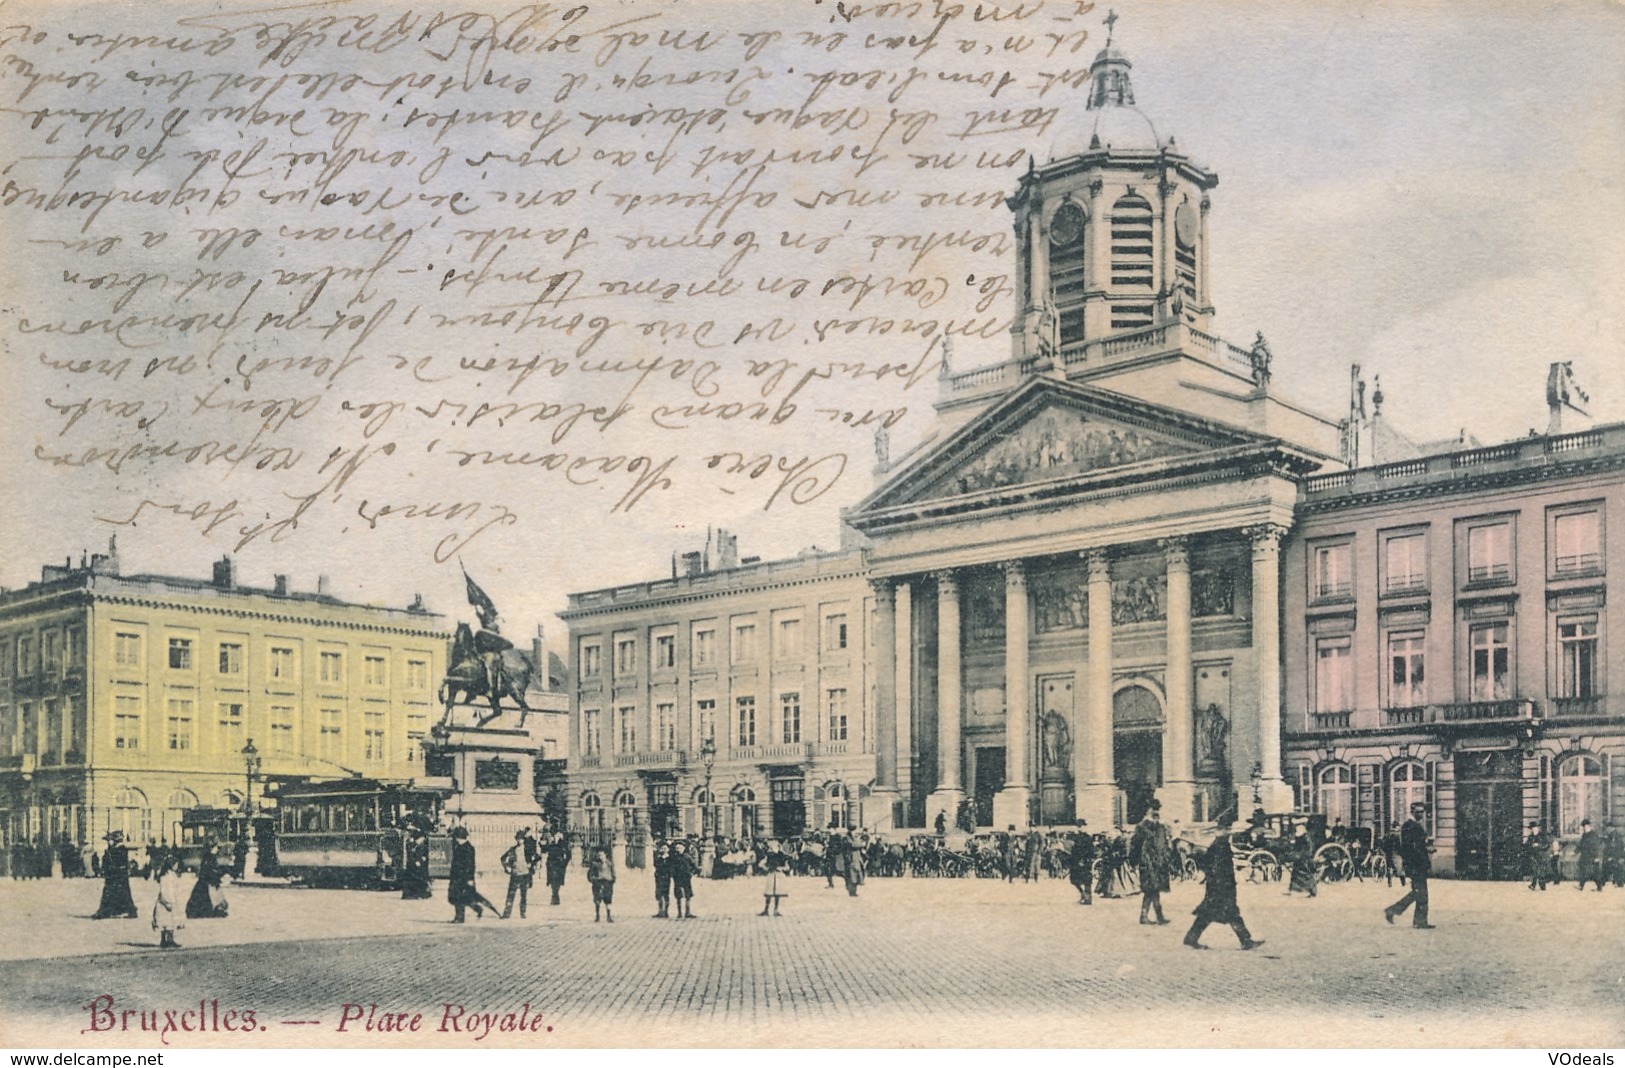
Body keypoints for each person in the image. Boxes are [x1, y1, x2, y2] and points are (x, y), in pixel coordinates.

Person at [1184, 816, 1263, 951]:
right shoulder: (1220, 845)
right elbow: (1216, 867)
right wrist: (1222, 885)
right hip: (1221, 887)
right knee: (1223, 913)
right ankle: (1245, 941)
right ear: (1220, 830)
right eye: (1226, 829)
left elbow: (1209, 864)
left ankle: (1192, 938)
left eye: (1228, 829)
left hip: (1219, 886)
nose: (1228, 832)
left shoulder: (1220, 844)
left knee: (1216, 913)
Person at [1383, 802, 1434, 928]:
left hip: (1419, 864)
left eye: (1422, 811)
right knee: (1420, 893)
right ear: (1412, 812)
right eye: (1418, 811)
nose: (1421, 814)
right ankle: (1396, 912)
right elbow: (1408, 848)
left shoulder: (1415, 826)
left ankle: (1416, 920)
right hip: (1415, 864)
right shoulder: (1408, 826)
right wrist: (1415, 861)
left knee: (1418, 892)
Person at [1128, 800, 1173, 925]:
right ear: (1148, 811)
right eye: (1153, 810)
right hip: (1148, 863)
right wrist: (1134, 862)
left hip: (1158, 863)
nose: (1156, 812)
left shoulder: (1160, 826)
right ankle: (1151, 916)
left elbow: (1165, 844)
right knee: (1151, 889)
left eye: (1157, 810)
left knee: (1154, 890)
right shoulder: (1142, 827)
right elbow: (1135, 846)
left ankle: (1155, 916)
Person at [447, 827, 501, 923]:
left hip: (464, 878)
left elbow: (470, 865)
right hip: (456, 877)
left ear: (460, 837)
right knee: (457, 897)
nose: (455, 839)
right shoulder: (458, 846)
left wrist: (470, 879)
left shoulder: (468, 848)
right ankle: (477, 909)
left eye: (456, 837)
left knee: (467, 897)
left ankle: (460, 917)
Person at [92, 831, 138, 919]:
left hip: (117, 877)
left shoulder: (119, 850)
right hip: (115, 876)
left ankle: (105, 912)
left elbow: (114, 863)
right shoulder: (115, 849)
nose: (109, 842)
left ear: (115, 841)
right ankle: (117, 911)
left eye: (110, 840)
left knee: (113, 894)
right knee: (119, 894)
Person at [151, 856, 191, 949]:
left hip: (169, 900)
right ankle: (166, 940)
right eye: (175, 864)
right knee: (167, 921)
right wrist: (168, 901)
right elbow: (166, 890)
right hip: (166, 901)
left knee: (168, 921)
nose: (177, 866)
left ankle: (167, 940)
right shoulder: (167, 877)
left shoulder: (171, 875)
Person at [500, 828, 540, 919]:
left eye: (521, 838)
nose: (519, 840)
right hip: (515, 874)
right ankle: (506, 913)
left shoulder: (528, 849)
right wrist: (507, 867)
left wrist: (531, 864)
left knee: (523, 894)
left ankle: (523, 912)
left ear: (523, 839)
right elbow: (502, 858)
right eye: (518, 838)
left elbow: (538, 857)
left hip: (525, 874)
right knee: (511, 894)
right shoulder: (512, 849)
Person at [185, 842, 228, 919]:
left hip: (205, 881)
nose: (217, 849)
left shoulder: (208, 857)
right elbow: (210, 870)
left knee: (204, 896)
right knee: (206, 896)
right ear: (212, 848)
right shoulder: (210, 857)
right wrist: (215, 877)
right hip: (207, 881)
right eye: (216, 848)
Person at [1285, 824, 1318, 898]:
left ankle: (1312, 891)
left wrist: (1302, 855)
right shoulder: (1299, 837)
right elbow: (1296, 847)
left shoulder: (1307, 838)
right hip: (1299, 858)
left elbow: (1309, 849)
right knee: (1295, 873)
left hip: (1305, 859)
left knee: (1307, 875)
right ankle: (1292, 889)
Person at [400, 828, 433, 900]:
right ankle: (412, 894)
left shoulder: (423, 845)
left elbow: (425, 854)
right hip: (413, 865)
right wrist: (415, 861)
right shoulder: (412, 845)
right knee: (413, 879)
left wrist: (422, 859)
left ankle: (422, 894)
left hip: (421, 864)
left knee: (421, 879)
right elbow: (410, 855)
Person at [758, 840, 789, 916]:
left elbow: (787, 867)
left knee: (777, 893)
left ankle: (775, 910)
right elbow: (761, 864)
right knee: (769, 893)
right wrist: (766, 868)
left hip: (778, 875)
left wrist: (780, 868)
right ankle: (767, 910)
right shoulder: (769, 855)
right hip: (772, 875)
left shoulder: (782, 856)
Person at [669, 839, 697, 919]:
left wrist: (691, 873)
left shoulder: (687, 857)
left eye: (680, 848)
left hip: (686, 878)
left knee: (688, 894)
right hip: (677, 878)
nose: (678, 850)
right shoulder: (674, 858)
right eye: (677, 848)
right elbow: (671, 867)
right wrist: (673, 874)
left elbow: (694, 866)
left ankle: (688, 912)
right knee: (678, 895)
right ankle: (679, 912)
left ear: (684, 848)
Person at [1068, 822, 1095, 905]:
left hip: (1085, 861)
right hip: (1076, 861)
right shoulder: (1076, 837)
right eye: (1078, 826)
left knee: (1087, 880)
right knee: (1074, 879)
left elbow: (1091, 851)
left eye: (1081, 826)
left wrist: (1086, 860)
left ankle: (1088, 899)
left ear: (1084, 827)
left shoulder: (1088, 838)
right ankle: (1083, 894)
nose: (1079, 828)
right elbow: (1073, 849)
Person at [588, 845, 616, 922]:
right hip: (598, 884)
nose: (600, 857)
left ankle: (609, 916)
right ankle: (597, 915)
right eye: (599, 855)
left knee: (608, 900)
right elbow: (590, 875)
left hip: (607, 884)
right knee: (597, 900)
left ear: (605, 855)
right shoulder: (594, 864)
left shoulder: (609, 864)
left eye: (602, 855)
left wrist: (611, 881)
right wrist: (595, 880)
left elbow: (614, 875)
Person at [1576, 819, 1604, 891]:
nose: (1583, 828)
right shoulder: (1584, 835)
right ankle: (1581, 886)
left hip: (1592, 856)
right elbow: (1581, 844)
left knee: (1593, 872)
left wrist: (1596, 856)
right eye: (1583, 827)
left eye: (1584, 827)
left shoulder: (1593, 835)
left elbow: (1597, 846)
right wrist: (1575, 852)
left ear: (1588, 826)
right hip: (1584, 856)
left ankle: (1599, 886)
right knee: (1583, 870)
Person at [545, 831, 571, 906]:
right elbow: (545, 850)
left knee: (558, 881)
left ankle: (555, 896)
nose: (555, 836)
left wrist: (564, 863)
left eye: (557, 835)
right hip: (551, 865)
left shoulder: (563, 844)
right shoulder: (551, 843)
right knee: (552, 881)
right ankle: (555, 895)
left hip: (559, 865)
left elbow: (569, 855)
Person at [1523, 822, 1549, 891]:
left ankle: (1539, 885)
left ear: (1537, 828)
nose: (1533, 829)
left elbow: (1547, 845)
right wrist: (1530, 845)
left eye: (1534, 828)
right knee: (1535, 870)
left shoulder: (1542, 836)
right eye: (1532, 828)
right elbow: (1526, 846)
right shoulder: (1530, 837)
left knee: (1541, 871)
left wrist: (1539, 845)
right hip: (1533, 855)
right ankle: (1535, 885)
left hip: (1541, 855)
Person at [651, 841, 673, 918]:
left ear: (668, 849)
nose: (663, 850)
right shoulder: (659, 858)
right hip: (659, 878)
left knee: (666, 894)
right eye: (662, 848)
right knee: (659, 894)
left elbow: (670, 868)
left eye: (665, 848)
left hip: (666, 878)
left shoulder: (670, 858)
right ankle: (660, 911)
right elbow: (655, 864)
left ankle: (666, 911)